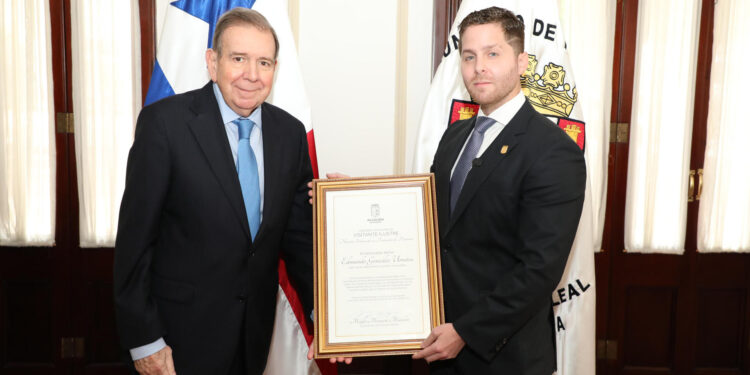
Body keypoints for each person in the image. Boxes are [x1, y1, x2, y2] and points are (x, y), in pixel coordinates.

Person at [114, 8, 317, 375]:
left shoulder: (290, 134)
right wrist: (145, 340)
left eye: (264, 62)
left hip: (253, 337)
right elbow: (134, 244)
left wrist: (330, 316)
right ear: (212, 61)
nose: (252, 76)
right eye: (239, 59)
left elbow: (300, 241)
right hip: (177, 342)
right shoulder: (164, 125)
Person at [412, 7, 586, 375]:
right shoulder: (454, 136)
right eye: (469, 56)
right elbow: (429, 217)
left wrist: (466, 331)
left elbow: (539, 270)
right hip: (440, 344)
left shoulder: (554, 152)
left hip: (506, 356)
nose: (479, 67)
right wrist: (363, 201)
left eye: (493, 54)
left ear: (522, 62)